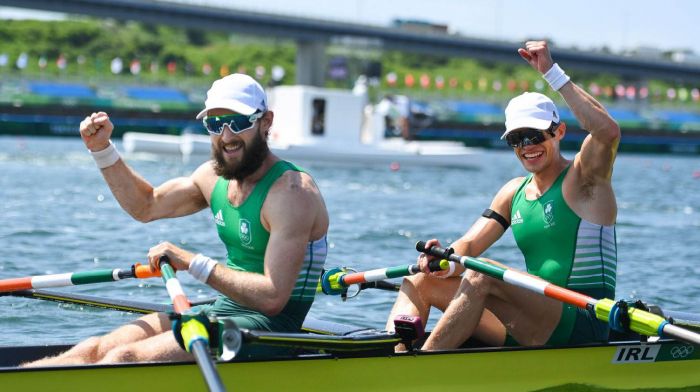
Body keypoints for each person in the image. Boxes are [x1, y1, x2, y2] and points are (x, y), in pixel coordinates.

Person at [26, 73, 329, 366]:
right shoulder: (212, 177)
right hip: (225, 311)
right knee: (94, 349)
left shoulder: (292, 193)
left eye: (238, 123)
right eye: (215, 124)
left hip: (270, 330)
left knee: (123, 359)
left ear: (266, 122)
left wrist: (191, 262)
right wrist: (102, 150)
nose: (226, 136)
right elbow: (146, 206)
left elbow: (273, 298)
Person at [386, 40, 621, 350]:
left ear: (559, 132)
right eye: (517, 139)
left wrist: (552, 73)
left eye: (534, 135)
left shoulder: (584, 179)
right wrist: (442, 260)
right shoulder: (514, 192)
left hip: (583, 321)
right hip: (532, 318)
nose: (527, 147)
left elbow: (608, 133)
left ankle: (423, 368)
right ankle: (388, 355)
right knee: (420, 278)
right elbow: (469, 245)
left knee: (483, 274)